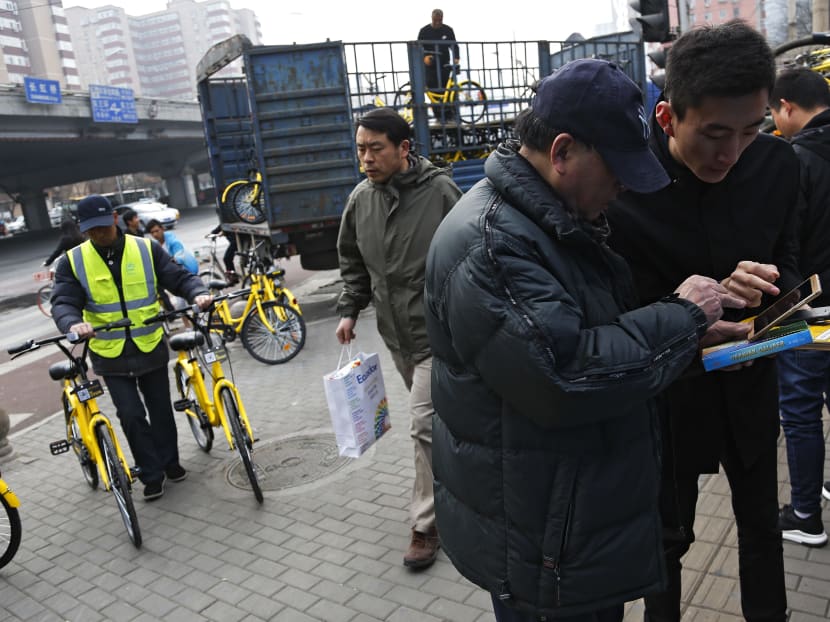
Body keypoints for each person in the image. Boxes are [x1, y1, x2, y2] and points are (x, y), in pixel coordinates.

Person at [424, 58, 745, 621]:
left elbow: (586, 332)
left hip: (566, 524)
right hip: (544, 542)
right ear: (563, 150)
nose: (623, 186)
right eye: (616, 168)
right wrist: (681, 316)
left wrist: (687, 338)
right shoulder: (496, 244)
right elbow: (565, 373)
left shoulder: (550, 218)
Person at [605, 20, 802, 621]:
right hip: (668, 397)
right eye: (715, 133)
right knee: (667, 541)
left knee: (762, 533)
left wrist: (776, 300)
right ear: (667, 118)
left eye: (751, 130)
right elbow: (615, 315)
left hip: (748, 387)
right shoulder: (623, 192)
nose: (731, 153)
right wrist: (694, 306)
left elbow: (794, 274)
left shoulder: (777, 167)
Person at [335, 107, 462, 569]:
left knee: (422, 426)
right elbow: (352, 261)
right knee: (443, 424)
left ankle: (426, 526)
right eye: (360, 149)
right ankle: (461, 488)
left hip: (439, 335)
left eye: (375, 148)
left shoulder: (441, 192)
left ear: (404, 148)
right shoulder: (360, 201)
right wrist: (350, 309)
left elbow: (474, 251)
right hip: (397, 338)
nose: (366, 158)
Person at [51, 195, 213, 501]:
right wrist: (73, 324)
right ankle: (151, 474)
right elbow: (63, 302)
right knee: (131, 415)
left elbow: (177, 278)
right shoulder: (72, 261)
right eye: (91, 230)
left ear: (114, 219)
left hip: (149, 343)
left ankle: (170, 463)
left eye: (102, 226)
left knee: (161, 411)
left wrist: (198, 292)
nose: (98, 234)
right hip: (109, 354)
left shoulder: (145, 248)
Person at [768, 67, 830, 547]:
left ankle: (806, 513)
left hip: (811, 309)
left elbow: (784, 242)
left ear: (787, 106)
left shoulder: (796, 160)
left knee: (802, 411)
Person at [417, 8, 459, 121]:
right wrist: (424, 57)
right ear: (432, 18)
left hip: (444, 64)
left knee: (449, 90)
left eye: (439, 20)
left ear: (442, 19)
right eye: (435, 20)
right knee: (433, 91)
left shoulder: (448, 30)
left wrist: (456, 58)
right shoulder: (424, 31)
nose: (437, 23)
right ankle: (438, 116)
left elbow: (454, 45)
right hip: (430, 66)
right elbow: (418, 48)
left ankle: (452, 115)